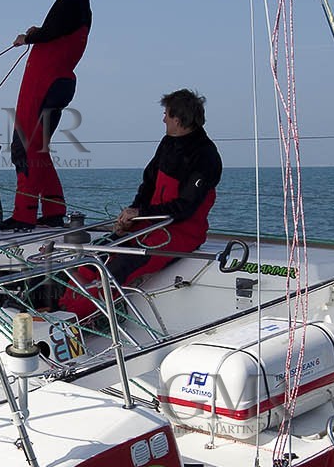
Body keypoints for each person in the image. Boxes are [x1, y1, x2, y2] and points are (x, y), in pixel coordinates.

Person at [59, 88, 222, 319]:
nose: (163, 118)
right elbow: (148, 185)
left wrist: (141, 213)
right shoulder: (168, 143)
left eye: (166, 113)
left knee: (121, 265)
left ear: (178, 119)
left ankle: (77, 317)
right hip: (148, 223)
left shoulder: (206, 156)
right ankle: (62, 309)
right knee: (94, 255)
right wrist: (131, 215)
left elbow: (185, 208)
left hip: (180, 233)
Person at [0, 0, 94, 231]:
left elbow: (52, 31)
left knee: (25, 147)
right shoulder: (81, 6)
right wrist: (39, 32)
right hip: (57, 83)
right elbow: (56, 31)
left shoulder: (70, 1)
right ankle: (53, 210)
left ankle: (24, 215)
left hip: (45, 84)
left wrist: (28, 37)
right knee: (37, 149)